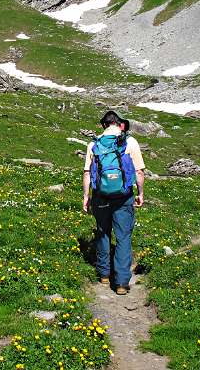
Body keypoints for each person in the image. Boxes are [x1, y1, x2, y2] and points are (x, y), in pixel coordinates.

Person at [82, 110, 146, 295]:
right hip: (123, 197)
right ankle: (121, 283)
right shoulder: (129, 141)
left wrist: (86, 197)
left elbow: (87, 173)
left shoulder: (94, 144)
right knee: (123, 236)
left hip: (101, 196)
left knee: (103, 233)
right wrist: (140, 193)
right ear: (119, 124)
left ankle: (103, 275)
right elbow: (139, 172)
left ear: (104, 125)